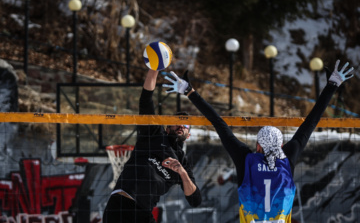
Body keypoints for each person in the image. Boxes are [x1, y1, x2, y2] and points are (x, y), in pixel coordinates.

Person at [163, 60, 353, 222]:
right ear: (280, 146)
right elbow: (312, 122)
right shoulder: (287, 158)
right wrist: (333, 84)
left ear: (258, 145)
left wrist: (189, 91)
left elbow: (218, 123)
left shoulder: (246, 160)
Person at [103, 69, 202, 223]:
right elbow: (146, 100)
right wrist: (154, 68)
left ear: (188, 135)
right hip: (122, 205)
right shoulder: (153, 133)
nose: (181, 125)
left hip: (143, 213)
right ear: (167, 127)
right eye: (177, 122)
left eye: (186, 124)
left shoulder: (182, 163)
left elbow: (195, 200)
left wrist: (182, 173)